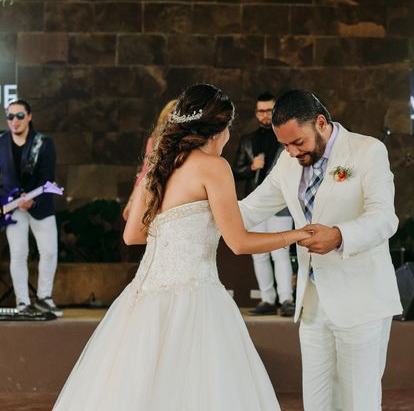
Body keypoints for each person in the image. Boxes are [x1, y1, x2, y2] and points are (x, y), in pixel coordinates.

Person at [54, 84, 312, 410]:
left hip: (144, 300)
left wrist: (176, 232)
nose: (230, 136)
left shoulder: (159, 164)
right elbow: (239, 242)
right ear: (218, 131)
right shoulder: (214, 167)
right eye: (229, 128)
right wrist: (297, 234)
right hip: (197, 295)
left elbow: (132, 236)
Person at [239, 90, 402, 411]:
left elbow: (385, 218)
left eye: (297, 142)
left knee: (359, 402)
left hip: (361, 300)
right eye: (284, 145)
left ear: (321, 123)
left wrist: (340, 235)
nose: (291, 152)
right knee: (317, 402)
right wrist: (191, 208)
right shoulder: (286, 163)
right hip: (313, 303)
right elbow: (249, 210)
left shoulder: (366, 151)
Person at [232, 93, 294, 317]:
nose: (265, 115)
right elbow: (234, 172)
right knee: (258, 254)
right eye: (261, 111)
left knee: (281, 252)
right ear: (256, 113)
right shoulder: (248, 140)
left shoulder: (285, 136)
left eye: (269, 110)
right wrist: (251, 167)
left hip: (280, 203)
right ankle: (267, 299)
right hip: (255, 202)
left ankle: (286, 299)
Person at [0, 99, 61, 317]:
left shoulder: (43, 143)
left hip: (40, 205)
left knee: (49, 251)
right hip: (13, 208)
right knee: (18, 254)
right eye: (10, 116)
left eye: (19, 116)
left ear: (29, 116)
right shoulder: (1, 142)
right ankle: (23, 302)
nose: (14, 121)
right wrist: (12, 198)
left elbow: (48, 177)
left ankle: (44, 297)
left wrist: (33, 199)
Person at [122, 99, 177, 221]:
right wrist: (132, 200)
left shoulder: (187, 141)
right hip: (154, 189)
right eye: (172, 111)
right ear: (165, 114)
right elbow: (145, 170)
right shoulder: (154, 138)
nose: (174, 115)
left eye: (178, 112)